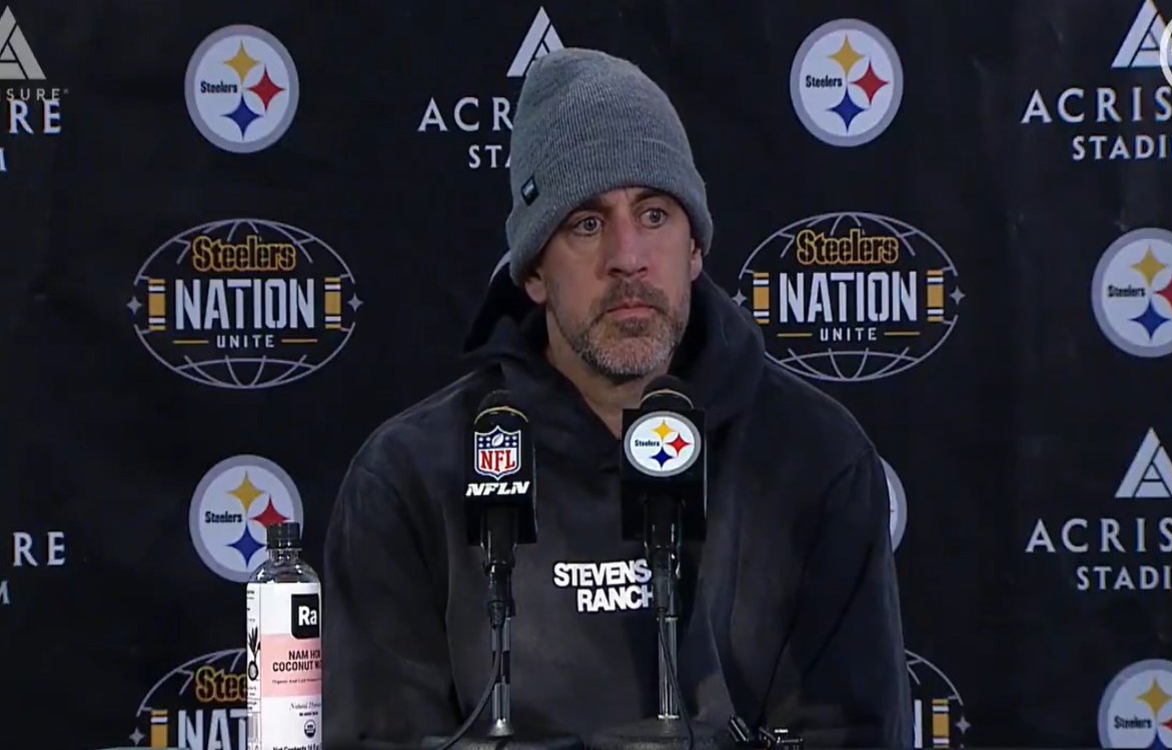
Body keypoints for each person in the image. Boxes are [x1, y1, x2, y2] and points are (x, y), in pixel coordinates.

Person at [323, 47, 912, 750]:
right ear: (533, 272)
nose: (628, 257)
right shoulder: (411, 478)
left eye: (655, 214)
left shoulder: (815, 457)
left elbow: (854, 732)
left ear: (695, 249)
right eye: (587, 223)